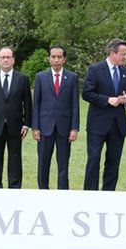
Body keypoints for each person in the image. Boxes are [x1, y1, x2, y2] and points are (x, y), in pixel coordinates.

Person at [83, 38, 126, 191]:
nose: (125, 57)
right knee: (93, 160)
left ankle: (109, 194)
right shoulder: (95, 69)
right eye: (122, 54)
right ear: (113, 53)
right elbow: (87, 93)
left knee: (113, 162)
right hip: (97, 125)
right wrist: (107, 100)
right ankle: (89, 194)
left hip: (118, 126)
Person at [0, 46, 32, 189]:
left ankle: (14, 187)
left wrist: (27, 124)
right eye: (2, 57)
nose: (5, 60)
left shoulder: (22, 79)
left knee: (15, 159)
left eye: (8, 57)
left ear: (13, 60)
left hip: (16, 126)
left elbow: (28, 104)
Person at [32, 46, 79, 189]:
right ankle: (43, 190)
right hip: (45, 126)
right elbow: (37, 104)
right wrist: (35, 127)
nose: (56, 60)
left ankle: (62, 192)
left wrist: (74, 128)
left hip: (64, 128)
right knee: (43, 163)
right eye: (53, 57)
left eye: (59, 57)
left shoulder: (72, 77)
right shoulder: (41, 77)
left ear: (64, 59)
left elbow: (75, 104)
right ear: (49, 58)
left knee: (63, 163)